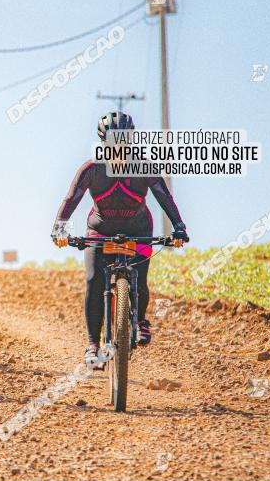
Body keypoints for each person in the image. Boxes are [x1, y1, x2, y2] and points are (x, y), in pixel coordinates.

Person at [51, 111, 189, 366]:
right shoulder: (92, 169)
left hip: (140, 231)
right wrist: (59, 229)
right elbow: (71, 199)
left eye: (124, 141)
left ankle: (140, 319)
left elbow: (164, 197)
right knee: (94, 281)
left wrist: (179, 227)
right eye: (113, 141)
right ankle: (93, 345)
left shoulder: (145, 167)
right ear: (103, 141)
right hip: (99, 232)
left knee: (142, 281)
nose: (119, 147)